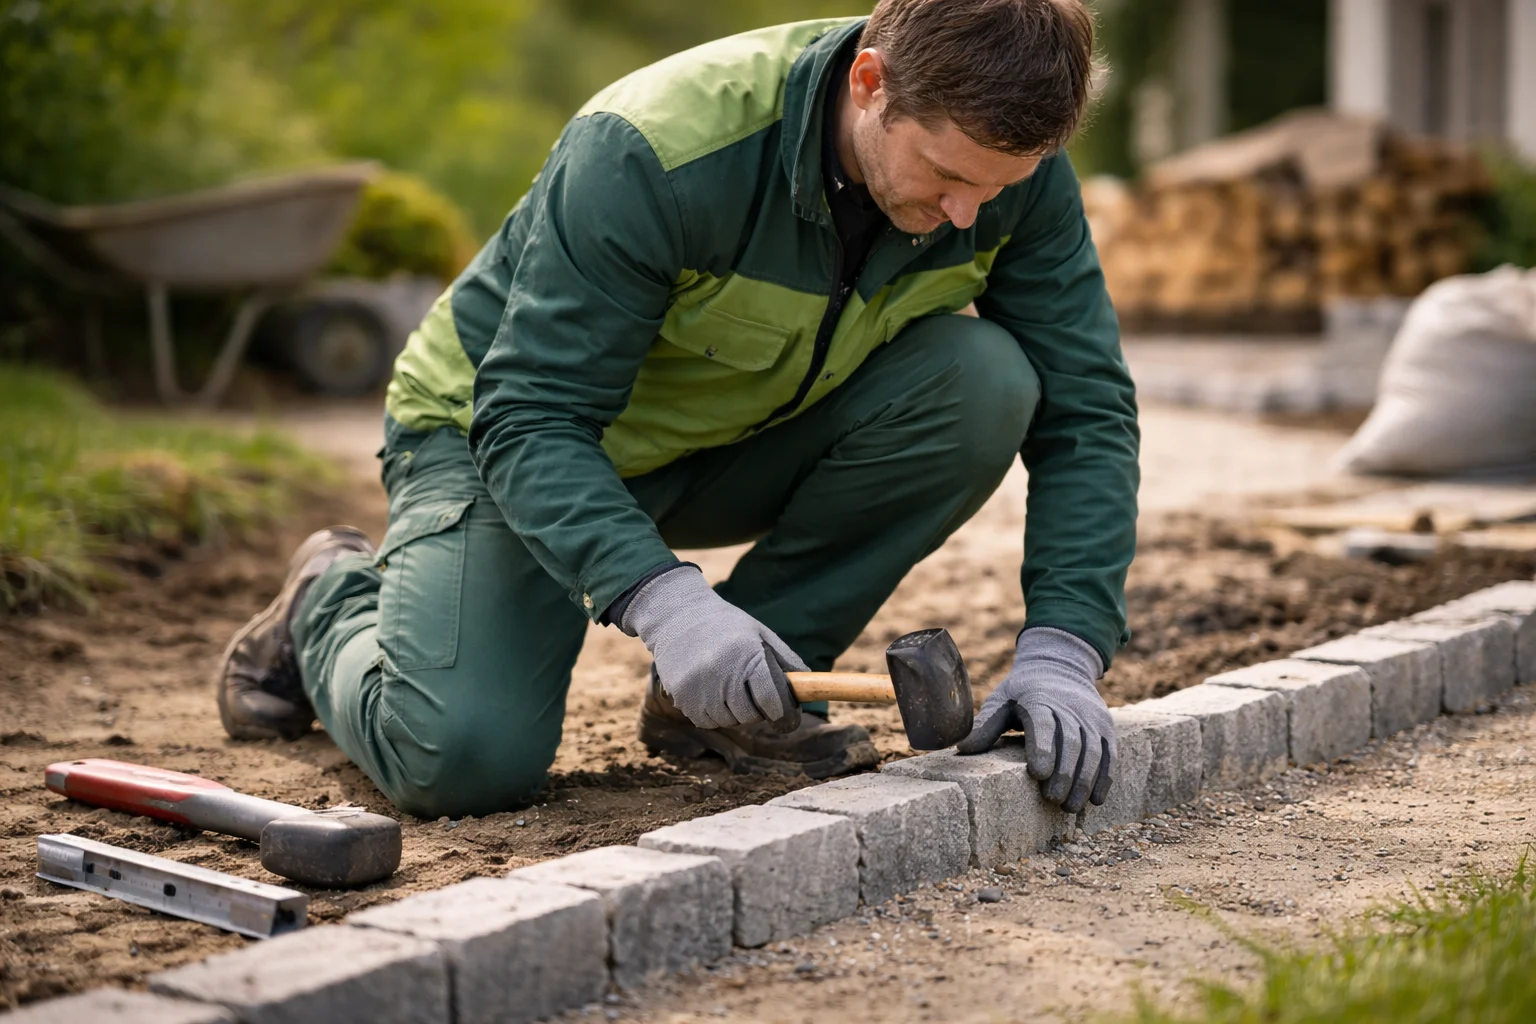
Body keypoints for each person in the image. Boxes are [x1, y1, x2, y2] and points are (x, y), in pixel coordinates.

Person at [215, 0, 1139, 821]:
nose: (971, 212)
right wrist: (666, 604)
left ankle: (745, 700)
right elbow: (529, 414)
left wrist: (1064, 644)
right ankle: (326, 601)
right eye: (947, 174)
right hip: (503, 439)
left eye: (998, 187)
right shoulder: (656, 150)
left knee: (987, 383)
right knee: (460, 759)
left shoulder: (1008, 172)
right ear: (870, 82)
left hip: (725, 433)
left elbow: (1088, 408)